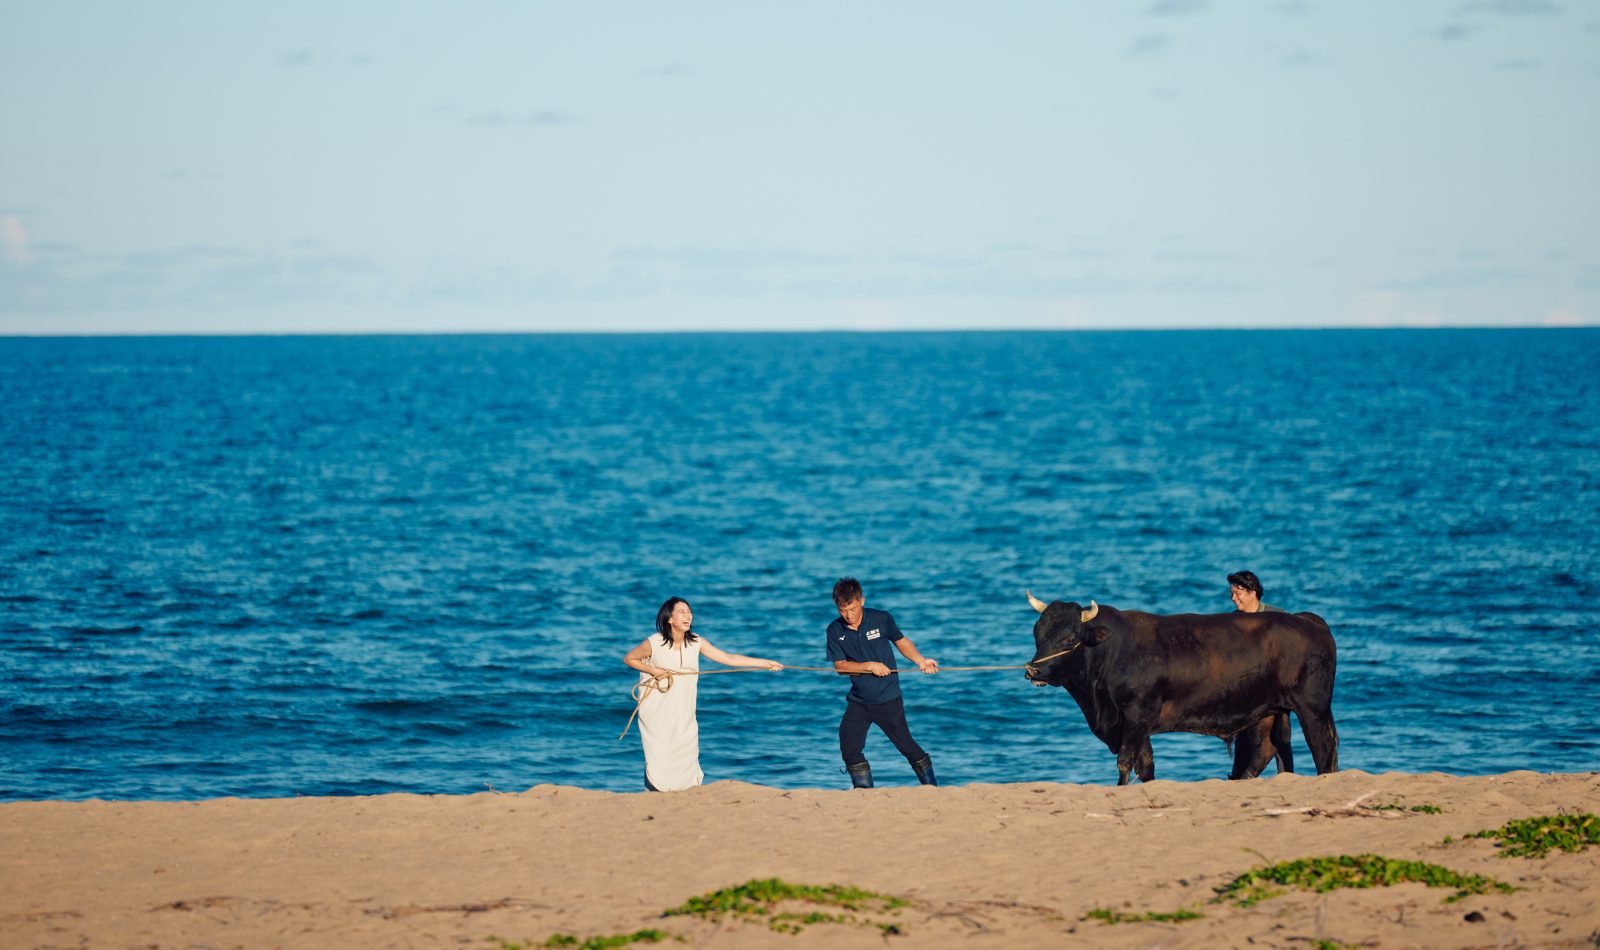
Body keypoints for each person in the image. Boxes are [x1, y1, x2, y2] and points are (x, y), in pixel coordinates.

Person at [623, 597, 782, 792]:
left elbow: (728, 658)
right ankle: (656, 788)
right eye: (681, 612)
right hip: (658, 709)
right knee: (661, 750)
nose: (687, 615)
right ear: (669, 619)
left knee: (686, 748)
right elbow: (629, 658)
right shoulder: (654, 642)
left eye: (689, 611)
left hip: (684, 708)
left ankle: (687, 789)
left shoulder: (696, 642)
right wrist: (656, 672)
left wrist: (765, 663)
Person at [825, 577, 938, 789]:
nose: (848, 615)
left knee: (907, 746)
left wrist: (921, 660)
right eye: (842, 610)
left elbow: (901, 642)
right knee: (849, 746)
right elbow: (840, 667)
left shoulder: (881, 618)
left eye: (852, 609)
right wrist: (868, 665)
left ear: (862, 601)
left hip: (888, 699)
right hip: (858, 701)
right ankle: (864, 792)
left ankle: (932, 789)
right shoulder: (834, 630)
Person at [1226, 569, 1293, 779]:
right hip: (1245, 690)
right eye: (1232, 593)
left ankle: (1287, 777)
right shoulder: (1231, 622)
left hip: (1276, 688)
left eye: (1238, 593)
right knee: (1243, 736)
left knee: (1281, 735)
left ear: (1252, 592)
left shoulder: (1277, 617)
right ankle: (1238, 778)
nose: (1233, 598)